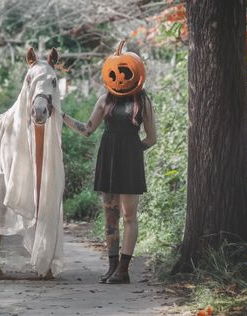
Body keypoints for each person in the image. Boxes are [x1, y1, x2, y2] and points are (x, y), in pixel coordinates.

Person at [61, 40, 157, 284]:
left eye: (126, 72)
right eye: (119, 72)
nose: (122, 76)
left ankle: (124, 270)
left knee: (129, 216)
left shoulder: (143, 102)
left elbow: (152, 138)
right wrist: (61, 116)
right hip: (109, 160)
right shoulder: (105, 100)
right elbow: (87, 129)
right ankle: (112, 266)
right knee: (110, 217)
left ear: (135, 74)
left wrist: (134, 152)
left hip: (130, 163)